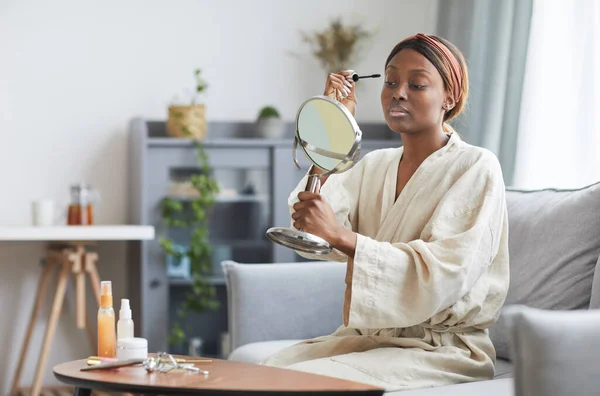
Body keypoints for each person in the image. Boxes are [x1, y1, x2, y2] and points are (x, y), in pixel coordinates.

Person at [260, 32, 510, 392]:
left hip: (441, 351)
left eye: (417, 84)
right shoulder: (376, 165)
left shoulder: (476, 166)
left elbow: (445, 272)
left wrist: (340, 236)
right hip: (372, 340)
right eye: (391, 81)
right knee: (268, 372)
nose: (398, 92)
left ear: (450, 97)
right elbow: (311, 231)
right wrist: (333, 125)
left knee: (308, 385)